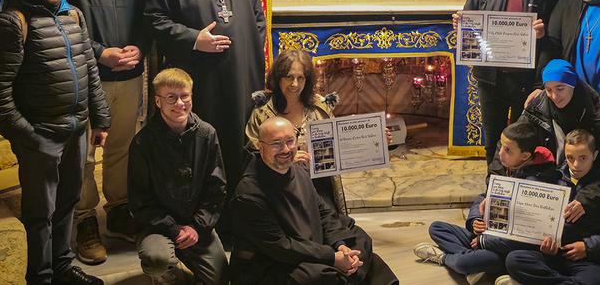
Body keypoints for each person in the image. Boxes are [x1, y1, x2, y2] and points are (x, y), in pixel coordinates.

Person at [0, 0, 109, 285]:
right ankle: (41, 276)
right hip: (40, 136)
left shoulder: (73, 15)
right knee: (40, 215)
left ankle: (62, 267)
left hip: (76, 129)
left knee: (67, 204)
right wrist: (27, 135)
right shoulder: (11, 23)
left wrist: (100, 118)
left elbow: (89, 70)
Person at [145, 0, 266, 201]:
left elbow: (257, 18)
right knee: (206, 148)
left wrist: (247, 55)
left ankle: (245, 210)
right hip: (201, 81)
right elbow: (155, 21)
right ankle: (207, 216)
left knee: (243, 142)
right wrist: (194, 39)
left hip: (242, 78)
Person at [53, 0, 149, 263]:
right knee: (83, 152)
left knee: (123, 145)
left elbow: (147, 17)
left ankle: (119, 208)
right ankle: (84, 217)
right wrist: (99, 52)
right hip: (84, 76)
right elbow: (59, 22)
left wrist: (139, 47)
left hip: (128, 75)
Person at [231, 117, 399, 285]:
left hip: (311, 247)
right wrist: (332, 257)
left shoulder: (298, 171)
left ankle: (348, 267)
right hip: (272, 263)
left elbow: (324, 213)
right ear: (260, 147)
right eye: (276, 143)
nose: (285, 149)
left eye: (290, 141)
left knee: (358, 242)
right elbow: (281, 246)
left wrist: (340, 246)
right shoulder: (249, 194)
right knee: (318, 276)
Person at [452, 0, 558, 166]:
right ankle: (494, 189)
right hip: (492, 78)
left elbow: (557, 35)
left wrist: (544, 33)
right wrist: (462, 25)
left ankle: (523, 187)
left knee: (528, 141)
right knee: (493, 138)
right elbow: (469, 19)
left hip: (527, 79)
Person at [414, 122, 559, 284]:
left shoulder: (538, 182)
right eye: (501, 146)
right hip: (488, 234)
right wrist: (475, 220)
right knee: (437, 228)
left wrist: (485, 241)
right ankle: (476, 265)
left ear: (525, 156)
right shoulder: (505, 166)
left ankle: (445, 258)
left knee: (464, 263)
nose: (500, 153)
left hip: (507, 249)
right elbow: (484, 196)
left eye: (508, 150)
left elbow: (525, 234)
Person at [127, 68, 228, 284]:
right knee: (157, 259)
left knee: (222, 279)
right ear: (157, 101)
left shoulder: (207, 134)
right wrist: (173, 229)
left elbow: (216, 188)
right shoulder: (143, 143)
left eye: (185, 96)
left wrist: (196, 227)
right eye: (171, 98)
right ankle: (166, 270)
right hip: (157, 226)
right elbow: (140, 201)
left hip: (195, 225)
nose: (179, 104)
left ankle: (187, 254)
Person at [504, 129, 600, 285]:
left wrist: (587, 247)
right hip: (559, 255)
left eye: (583, 158)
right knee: (514, 260)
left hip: (595, 261)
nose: (576, 165)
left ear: (594, 156)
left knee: (598, 279)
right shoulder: (555, 179)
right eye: (570, 158)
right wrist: (547, 244)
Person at [518, 60, 600, 223]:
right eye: (548, 90)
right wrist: (493, 190)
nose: (554, 96)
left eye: (560, 88)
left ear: (573, 84)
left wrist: (587, 199)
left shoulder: (596, 111)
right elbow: (510, 143)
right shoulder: (538, 105)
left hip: (587, 184)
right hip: (550, 178)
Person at [245, 49, 347, 215]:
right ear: (278, 78)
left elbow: (340, 144)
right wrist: (286, 161)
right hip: (278, 189)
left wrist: (373, 142)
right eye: (289, 77)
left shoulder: (320, 107)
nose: (295, 84)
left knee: (338, 229)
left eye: (301, 78)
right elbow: (252, 155)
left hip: (319, 186)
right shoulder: (262, 112)